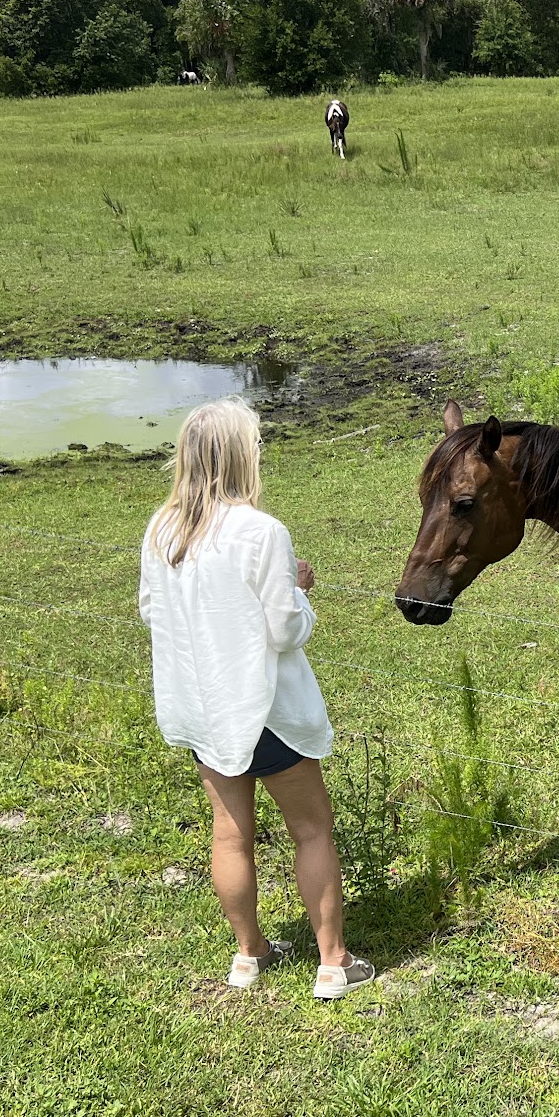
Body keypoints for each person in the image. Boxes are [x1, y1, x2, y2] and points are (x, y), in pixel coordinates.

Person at [138, 397, 374, 999]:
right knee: (312, 829)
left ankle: (249, 954)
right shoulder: (262, 532)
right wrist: (299, 590)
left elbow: (152, 611)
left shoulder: (162, 530)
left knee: (229, 832)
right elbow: (285, 630)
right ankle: (334, 962)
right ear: (243, 456)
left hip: (207, 707)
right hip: (266, 710)